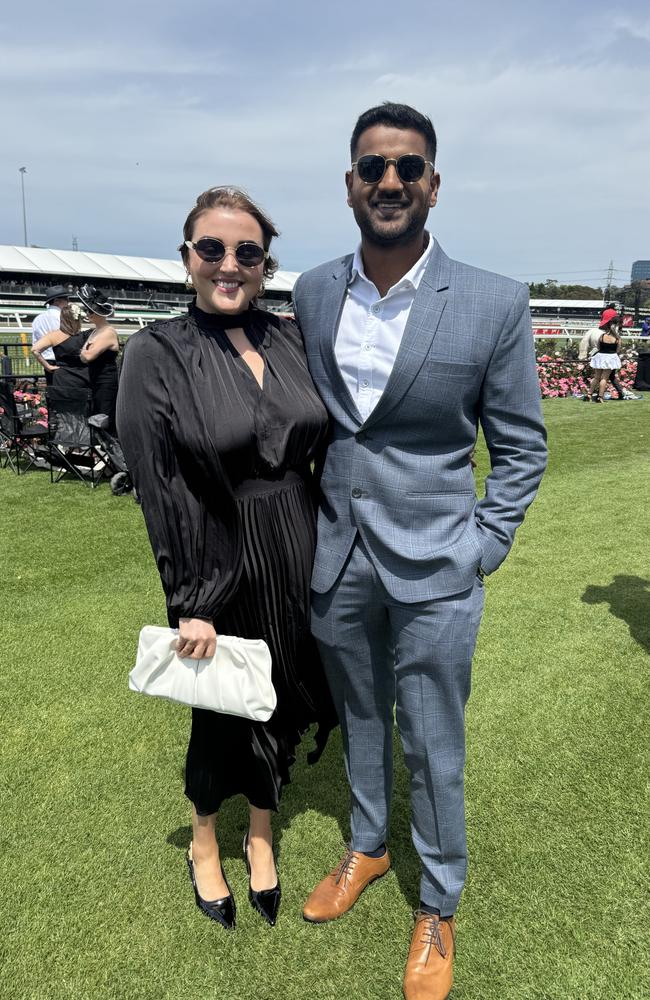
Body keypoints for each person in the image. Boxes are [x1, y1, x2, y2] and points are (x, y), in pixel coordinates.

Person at [293, 103, 548, 1000]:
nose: (390, 182)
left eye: (408, 168)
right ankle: (365, 848)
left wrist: (486, 544)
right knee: (362, 721)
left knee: (432, 742)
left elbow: (521, 445)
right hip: (341, 558)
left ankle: (437, 900)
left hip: (441, 559)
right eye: (373, 167)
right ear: (351, 184)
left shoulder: (492, 300)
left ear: (434, 184)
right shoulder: (315, 291)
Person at [116, 186, 335, 931]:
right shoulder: (156, 353)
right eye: (212, 248)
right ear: (187, 260)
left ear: (266, 264)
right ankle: (205, 845)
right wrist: (192, 598)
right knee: (217, 710)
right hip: (220, 552)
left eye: (247, 251)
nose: (229, 263)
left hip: (299, 545)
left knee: (280, 696)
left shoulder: (291, 337)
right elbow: (158, 483)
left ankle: (262, 835)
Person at [78, 285, 120, 431]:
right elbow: (84, 355)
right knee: (96, 416)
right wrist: (85, 353)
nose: (87, 314)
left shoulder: (108, 331)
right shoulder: (95, 331)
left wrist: (85, 352)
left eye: (89, 311)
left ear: (98, 313)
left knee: (105, 417)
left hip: (106, 382)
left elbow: (87, 355)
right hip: (95, 380)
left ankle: (111, 449)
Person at [31, 302, 90, 392]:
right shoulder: (86, 334)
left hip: (63, 376)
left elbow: (35, 350)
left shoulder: (54, 335)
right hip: (84, 375)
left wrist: (48, 366)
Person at [31, 285, 70, 383]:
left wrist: (46, 365)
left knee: (52, 391)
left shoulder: (38, 318)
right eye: (66, 299)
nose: (68, 301)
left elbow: (35, 343)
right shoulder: (62, 316)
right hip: (62, 360)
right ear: (57, 300)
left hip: (46, 360)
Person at [589, 312, 622, 402]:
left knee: (596, 377)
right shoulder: (617, 339)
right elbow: (617, 350)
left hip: (600, 356)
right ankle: (600, 397)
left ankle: (589, 394)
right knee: (604, 378)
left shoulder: (602, 336)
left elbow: (599, 347)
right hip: (610, 357)